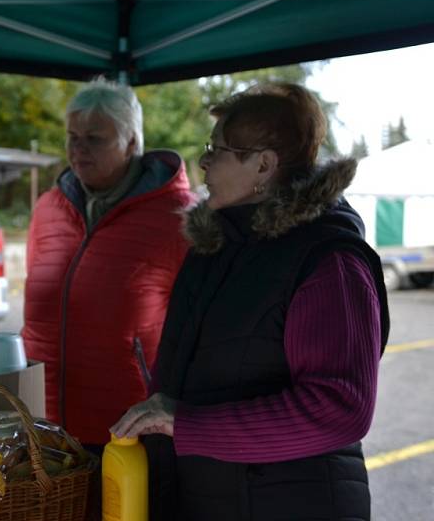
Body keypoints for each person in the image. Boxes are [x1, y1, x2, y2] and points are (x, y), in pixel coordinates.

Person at [112, 83, 390, 521]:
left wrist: (186, 424)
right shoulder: (217, 246)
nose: (203, 161)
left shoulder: (328, 259)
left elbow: (340, 409)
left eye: (217, 149)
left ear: (264, 164)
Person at [22, 77, 194, 454]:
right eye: (72, 137)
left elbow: (201, 330)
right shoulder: (48, 207)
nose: (78, 149)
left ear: (132, 142)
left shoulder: (180, 217)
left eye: (95, 139)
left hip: (128, 428)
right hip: (41, 423)